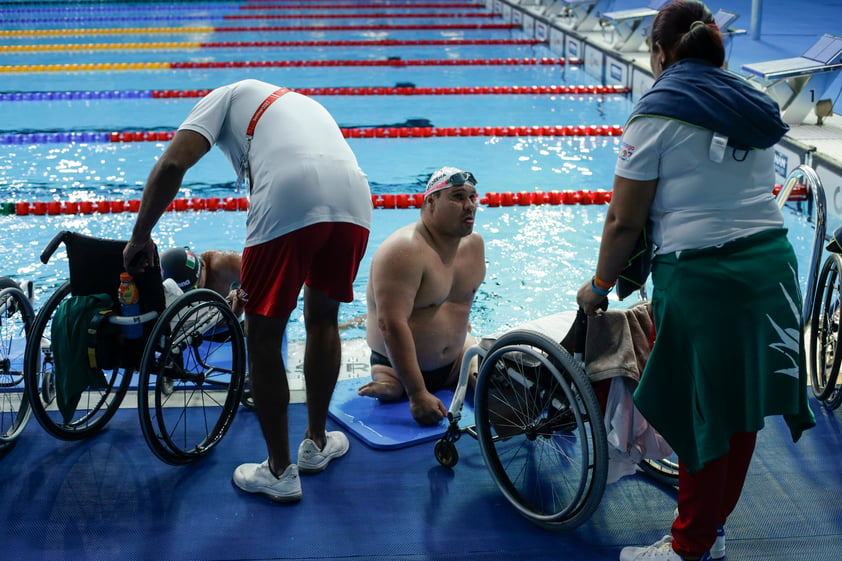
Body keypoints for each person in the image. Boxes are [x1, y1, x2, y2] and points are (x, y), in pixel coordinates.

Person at [575, 2, 816, 560]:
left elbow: (623, 220)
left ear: (659, 53)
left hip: (706, 279)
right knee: (739, 407)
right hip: (772, 269)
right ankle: (711, 529)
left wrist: (599, 285)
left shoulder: (653, 114)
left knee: (702, 412)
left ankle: (688, 546)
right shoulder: (753, 102)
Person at [123, 78, 372, 503]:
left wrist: (139, 236)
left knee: (262, 336)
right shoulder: (295, 103)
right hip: (355, 195)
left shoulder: (219, 98)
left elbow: (171, 166)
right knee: (323, 319)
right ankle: (315, 442)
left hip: (292, 190)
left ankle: (278, 470)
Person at [359, 166, 486, 426]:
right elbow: (390, 324)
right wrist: (417, 394)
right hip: (396, 369)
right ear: (431, 201)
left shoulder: (474, 245)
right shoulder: (404, 249)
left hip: (456, 362)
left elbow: (459, 306)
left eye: (472, 197)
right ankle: (393, 384)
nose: (469, 205)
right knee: (394, 391)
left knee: (496, 388)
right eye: (458, 197)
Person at [160, 247, 245, 315]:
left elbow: (257, 276)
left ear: (203, 265)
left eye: (194, 288)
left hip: (225, 329)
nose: (189, 296)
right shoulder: (160, 270)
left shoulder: (226, 265)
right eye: (182, 291)